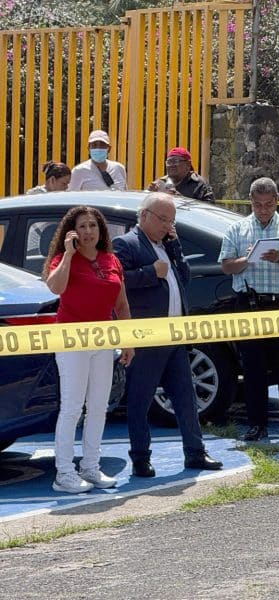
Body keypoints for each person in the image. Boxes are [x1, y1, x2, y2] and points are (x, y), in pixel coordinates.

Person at [113, 193, 223, 478]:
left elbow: (183, 278)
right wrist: (150, 273)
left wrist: (175, 248)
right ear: (144, 215)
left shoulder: (166, 246)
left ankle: (195, 452)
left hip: (174, 336)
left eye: (171, 221)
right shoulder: (126, 244)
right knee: (140, 401)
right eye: (163, 219)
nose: (167, 226)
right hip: (147, 338)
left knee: (186, 397)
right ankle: (140, 457)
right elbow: (117, 282)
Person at [43, 206, 134, 493]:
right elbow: (55, 288)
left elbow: (121, 305)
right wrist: (68, 255)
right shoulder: (63, 258)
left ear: (100, 229)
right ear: (72, 231)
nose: (88, 231)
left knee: (98, 407)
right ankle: (64, 473)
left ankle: (90, 466)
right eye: (82, 226)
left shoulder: (111, 259)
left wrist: (128, 340)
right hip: (71, 341)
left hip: (103, 341)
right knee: (72, 408)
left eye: (92, 225)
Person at [218, 177, 279, 442]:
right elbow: (226, 266)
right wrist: (247, 259)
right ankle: (256, 424)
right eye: (258, 205)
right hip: (249, 303)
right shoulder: (237, 229)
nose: (263, 210)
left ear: (277, 201)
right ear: (250, 202)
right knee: (253, 367)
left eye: (268, 205)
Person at [147, 146, 215, 202]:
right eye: (169, 162)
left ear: (188, 164)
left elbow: (209, 210)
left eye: (175, 161)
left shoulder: (200, 185)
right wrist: (149, 195)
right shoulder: (160, 183)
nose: (171, 165)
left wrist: (180, 199)